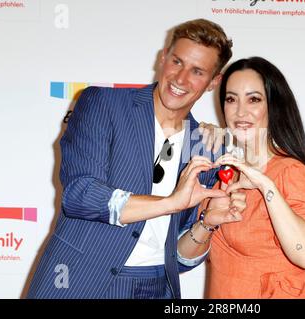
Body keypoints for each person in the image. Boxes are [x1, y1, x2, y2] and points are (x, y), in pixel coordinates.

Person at [26, 19, 244, 299]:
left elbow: (178, 258)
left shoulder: (204, 145)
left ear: (214, 82)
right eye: (177, 62)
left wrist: (207, 223)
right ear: (162, 58)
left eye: (197, 71)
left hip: (156, 287)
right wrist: (169, 203)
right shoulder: (103, 104)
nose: (180, 79)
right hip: (80, 282)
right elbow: (80, 195)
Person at [202, 57, 305, 298]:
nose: (240, 111)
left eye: (253, 99)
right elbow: (184, 252)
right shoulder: (224, 174)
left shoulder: (291, 171)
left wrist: (265, 185)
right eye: (231, 99)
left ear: (273, 106)